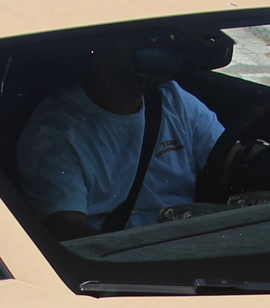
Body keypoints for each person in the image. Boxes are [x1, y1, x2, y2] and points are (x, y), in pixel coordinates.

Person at [17, 37, 226, 238]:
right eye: (143, 39)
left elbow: (230, 157)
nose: (158, 47)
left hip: (188, 246)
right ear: (99, 50)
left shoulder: (173, 100)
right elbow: (67, 229)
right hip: (127, 261)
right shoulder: (56, 134)